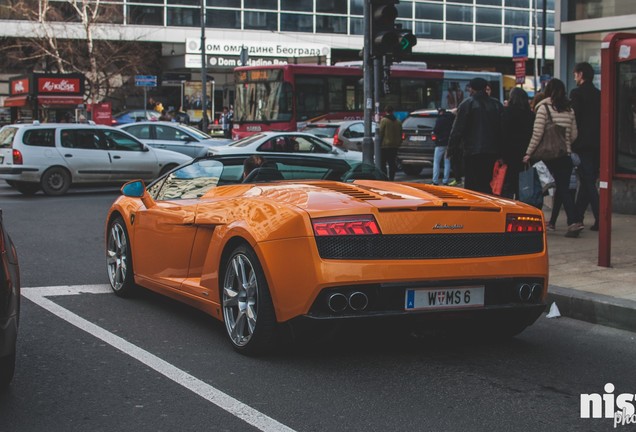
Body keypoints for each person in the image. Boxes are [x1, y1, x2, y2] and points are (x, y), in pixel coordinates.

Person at [523, 78, 583, 238]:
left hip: (548, 156)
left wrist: (529, 152)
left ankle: (569, 221)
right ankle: (574, 221)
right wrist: (565, 144)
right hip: (566, 154)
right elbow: (575, 134)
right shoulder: (569, 109)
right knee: (563, 189)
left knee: (553, 187)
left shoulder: (543, 108)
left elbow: (537, 133)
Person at [448, 77, 504, 194]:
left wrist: (451, 149)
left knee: (472, 185)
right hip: (492, 151)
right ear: (485, 88)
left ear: (472, 89)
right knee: (487, 182)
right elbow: (502, 129)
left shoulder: (467, 104)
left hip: (472, 151)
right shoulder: (496, 105)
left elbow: (457, 129)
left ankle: (475, 208)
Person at [570, 61, 601, 231]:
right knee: (587, 180)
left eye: (575, 74)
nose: (574, 77)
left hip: (582, 144)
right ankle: (578, 216)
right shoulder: (599, 94)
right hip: (598, 144)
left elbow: (575, 119)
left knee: (588, 182)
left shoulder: (576, 94)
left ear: (581, 75)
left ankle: (600, 217)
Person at [501, 87, 534, 199]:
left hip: (509, 154)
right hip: (525, 154)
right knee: (523, 186)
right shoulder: (530, 115)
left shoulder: (506, 112)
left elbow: (502, 134)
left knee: (508, 186)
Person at [432, 107, 455, 185]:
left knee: (436, 162)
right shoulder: (451, 119)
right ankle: (445, 181)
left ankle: (435, 181)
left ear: (440, 112)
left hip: (440, 143)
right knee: (447, 162)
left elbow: (435, 130)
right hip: (448, 143)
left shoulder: (439, 120)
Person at [378, 105, 402, 181]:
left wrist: (379, 143)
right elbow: (401, 133)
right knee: (392, 163)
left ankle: (385, 178)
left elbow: (381, 132)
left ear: (386, 111)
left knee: (383, 164)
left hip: (385, 146)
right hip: (394, 146)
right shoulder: (398, 121)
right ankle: (392, 178)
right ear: (393, 111)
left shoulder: (384, 120)